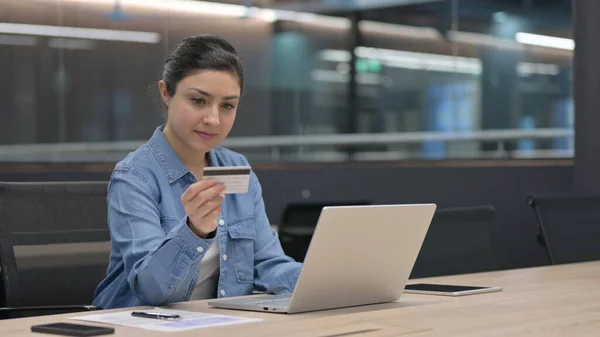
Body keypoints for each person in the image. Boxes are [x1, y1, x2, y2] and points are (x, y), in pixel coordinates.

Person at [93, 34, 302, 309]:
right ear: (166, 92)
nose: (213, 119)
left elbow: (267, 263)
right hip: (139, 325)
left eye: (227, 105)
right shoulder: (134, 176)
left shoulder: (237, 169)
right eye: (198, 101)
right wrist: (194, 232)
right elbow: (152, 290)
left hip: (215, 323)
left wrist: (327, 280)